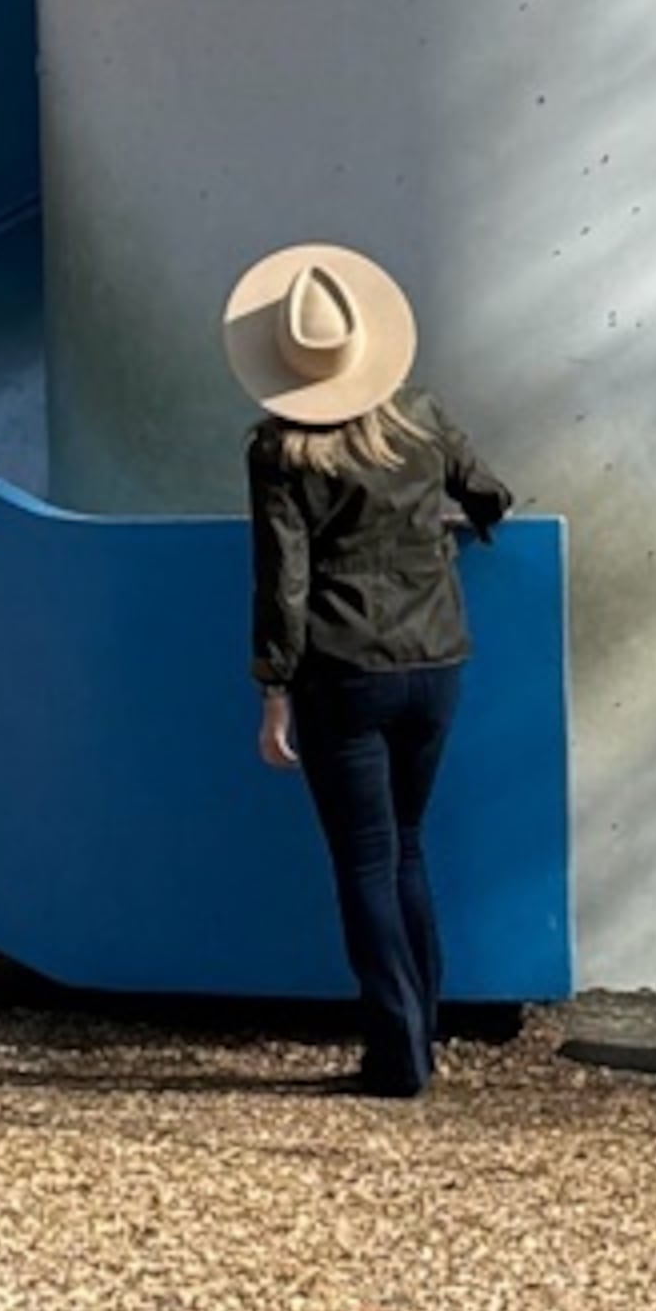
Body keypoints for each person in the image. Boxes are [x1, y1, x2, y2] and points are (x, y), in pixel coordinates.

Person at [227, 239, 513, 1100]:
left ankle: (396, 1060)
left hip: (343, 671)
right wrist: (451, 533)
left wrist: (272, 688)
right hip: (438, 658)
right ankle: (422, 1029)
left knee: (364, 861)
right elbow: (491, 494)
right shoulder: (423, 417)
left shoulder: (280, 454)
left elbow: (284, 581)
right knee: (408, 849)